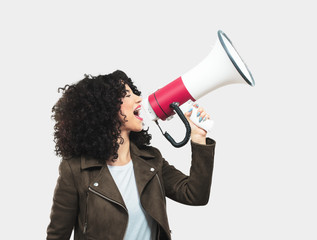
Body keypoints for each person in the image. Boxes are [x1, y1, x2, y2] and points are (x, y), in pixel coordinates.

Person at [47, 70, 216, 240]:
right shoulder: (76, 170)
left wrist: (198, 138)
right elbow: (57, 236)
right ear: (105, 107)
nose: (139, 99)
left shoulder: (151, 160)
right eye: (127, 94)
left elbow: (195, 195)